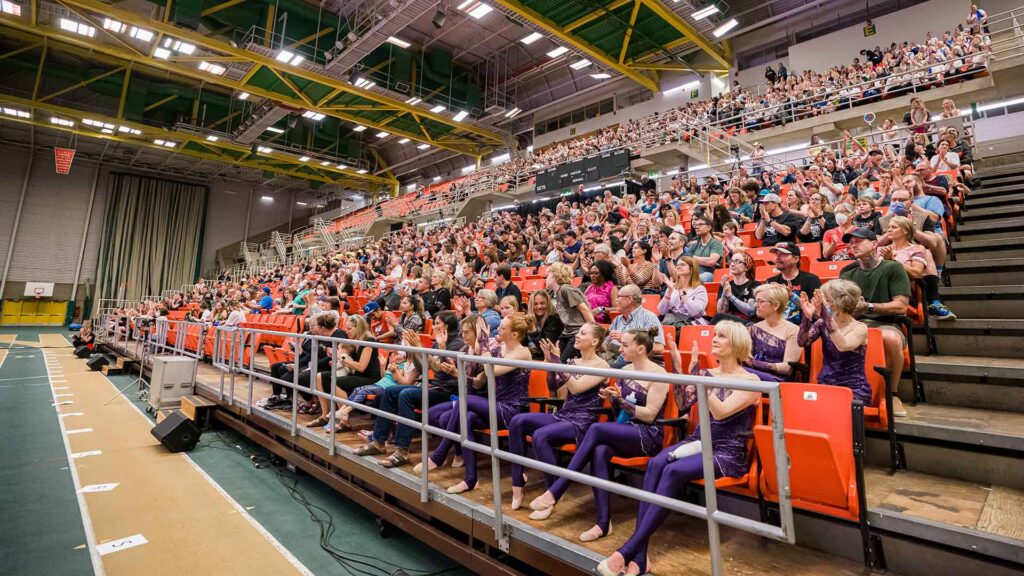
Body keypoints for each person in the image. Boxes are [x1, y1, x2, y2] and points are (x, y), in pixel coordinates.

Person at [597, 321, 761, 576]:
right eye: (714, 335)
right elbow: (685, 403)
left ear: (737, 344)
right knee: (655, 464)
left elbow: (722, 411)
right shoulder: (707, 374)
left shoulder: (751, 381)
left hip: (726, 451)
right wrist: (681, 372)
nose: (714, 339)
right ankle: (640, 556)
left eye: (722, 336)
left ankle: (628, 551)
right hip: (697, 440)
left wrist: (698, 380)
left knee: (672, 472)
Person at [528, 328, 669, 544]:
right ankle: (604, 523)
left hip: (646, 435)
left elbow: (649, 416)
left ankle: (557, 489)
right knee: (599, 451)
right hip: (625, 430)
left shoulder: (659, 375)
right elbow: (619, 414)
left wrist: (621, 402)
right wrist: (614, 400)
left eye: (625, 345)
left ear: (640, 349)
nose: (619, 349)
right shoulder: (626, 369)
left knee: (595, 430)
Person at [507, 323, 610, 509]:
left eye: (582, 333)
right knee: (517, 421)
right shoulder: (572, 362)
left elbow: (577, 387)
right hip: (565, 414)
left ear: (594, 341)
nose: (577, 336)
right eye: (578, 332)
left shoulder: (602, 365)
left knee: (541, 435)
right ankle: (517, 481)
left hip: (583, 420)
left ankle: (552, 490)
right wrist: (551, 364)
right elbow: (554, 387)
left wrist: (557, 362)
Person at [435, 313, 534, 493]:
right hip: (496, 405)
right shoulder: (499, 349)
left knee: (464, 401)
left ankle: (439, 454)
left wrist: (485, 344)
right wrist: (457, 374)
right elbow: (479, 381)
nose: (498, 330)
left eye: (503, 328)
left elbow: (491, 371)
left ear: (514, 334)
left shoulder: (523, 352)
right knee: (466, 417)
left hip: (511, 410)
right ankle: (471, 479)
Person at [354, 311, 466, 466]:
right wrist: (415, 349)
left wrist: (423, 346)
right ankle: (378, 442)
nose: (434, 326)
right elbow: (424, 367)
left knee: (406, 395)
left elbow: (440, 368)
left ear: (446, 326)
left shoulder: (458, 344)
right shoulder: (438, 341)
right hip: (436, 388)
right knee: (390, 391)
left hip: (449, 393)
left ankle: (402, 451)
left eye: (437, 323)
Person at [839, 227, 911, 417]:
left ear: (874, 244)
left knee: (890, 339)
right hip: (854, 323)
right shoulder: (847, 271)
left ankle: (892, 393)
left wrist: (869, 307)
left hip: (886, 322)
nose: (853, 245)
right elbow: (844, 304)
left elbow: (901, 306)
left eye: (858, 241)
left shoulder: (892, 267)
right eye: (850, 242)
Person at [797, 280, 872, 403]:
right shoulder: (822, 323)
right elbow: (802, 342)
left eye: (825, 299)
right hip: (825, 385)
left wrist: (824, 314)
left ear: (838, 303)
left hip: (854, 389)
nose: (820, 302)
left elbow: (843, 345)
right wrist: (807, 316)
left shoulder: (859, 328)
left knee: (834, 408)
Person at [308, 314, 380, 428]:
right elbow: (348, 360)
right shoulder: (355, 340)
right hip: (356, 375)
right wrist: (336, 354)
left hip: (369, 378)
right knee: (319, 377)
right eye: (346, 328)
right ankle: (325, 416)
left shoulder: (369, 341)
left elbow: (361, 367)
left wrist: (341, 356)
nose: (347, 331)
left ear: (359, 328)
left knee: (336, 382)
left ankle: (344, 421)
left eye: (350, 328)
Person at [881, 216, 956, 319]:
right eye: (888, 227)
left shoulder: (916, 249)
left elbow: (916, 273)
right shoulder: (881, 250)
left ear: (906, 231)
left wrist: (894, 261)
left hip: (901, 291)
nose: (889, 229)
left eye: (893, 227)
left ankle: (934, 301)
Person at [747, 283, 801, 381]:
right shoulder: (753, 328)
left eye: (761, 301)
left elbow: (787, 368)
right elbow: (747, 359)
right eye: (756, 301)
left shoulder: (793, 330)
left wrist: (755, 363)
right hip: (752, 376)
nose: (756, 305)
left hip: (777, 380)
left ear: (775, 305)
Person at [606, 284, 665, 367]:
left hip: (638, 362)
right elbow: (606, 344)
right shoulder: (617, 320)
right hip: (616, 358)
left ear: (630, 299)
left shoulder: (649, 318)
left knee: (608, 369)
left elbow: (658, 347)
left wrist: (625, 339)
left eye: (619, 297)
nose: (616, 300)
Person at [547, 263, 594, 361]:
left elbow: (585, 310)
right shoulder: (554, 293)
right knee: (555, 359)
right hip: (567, 331)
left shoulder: (566, 289)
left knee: (562, 361)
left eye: (549, 275)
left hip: (577, 331)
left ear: (556, 275)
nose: (546, 278)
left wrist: (593, 331)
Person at [765, 242, 822, 324]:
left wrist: (792, 296)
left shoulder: (811, 279)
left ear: (796, 259)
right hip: (777, 328)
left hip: (804, 328)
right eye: (776, 254)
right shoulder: (771, 281)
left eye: (783, 254)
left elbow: (816, 313)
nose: (777, 258)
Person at [657, 256, 708, 328]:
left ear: (692, 269)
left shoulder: (700, 289)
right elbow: (662, 311)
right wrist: (669, 291)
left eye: (683, 264)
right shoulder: (673, 287)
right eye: (677, 265)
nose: (678, 267)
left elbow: (696, 312)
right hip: (671, 322)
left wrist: (682, 293)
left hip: (690, 324)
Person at [713, 251, 760, 324]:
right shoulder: (726, 284)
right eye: (731, 261)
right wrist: (724, 292)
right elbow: (721, 311)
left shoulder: (754, 284)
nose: (732, 264)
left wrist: (730, 296)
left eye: (737, 261)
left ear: (747, 267)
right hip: (728, 321)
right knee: (719, 317)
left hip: (747, 322)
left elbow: (751, 312)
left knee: (719, 318)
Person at [685, 216, 724, 283]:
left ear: (709, 227)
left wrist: (692, 257)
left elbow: (711, 261)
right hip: (693, 273)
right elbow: (686, 261)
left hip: (709, 273)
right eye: (696, 225)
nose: (696, 227)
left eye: (700, 224)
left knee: (702, 277)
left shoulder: (716, 243)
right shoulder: (693, 245)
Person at [527, 291, 564, 360]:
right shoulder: (530, 318)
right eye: (535, 304)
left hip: (551, 358)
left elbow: (545, 349)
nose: (539, 307)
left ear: (548, 304)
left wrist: (533, 330)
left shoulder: (554, 319)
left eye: (542, 303)